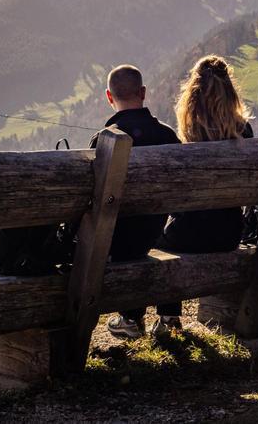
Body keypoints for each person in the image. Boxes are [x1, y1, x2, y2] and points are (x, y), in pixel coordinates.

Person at [116, 55, 253, 336]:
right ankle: (164, 320)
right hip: (230, 234)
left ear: (192, 96)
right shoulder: (245, 132)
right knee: (169, 236)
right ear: (230, 93)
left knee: (156, 241)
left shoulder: (189, 135)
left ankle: (160, 319)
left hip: (189, 235)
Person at [89, 65, 183, 339]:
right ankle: (157, 320)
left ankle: (130, 319)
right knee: (139, 235)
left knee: (119, 235)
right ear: (143, 93)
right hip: (156, 232)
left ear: (109, 97)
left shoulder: (105, 139)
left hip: (114, 240)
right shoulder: (167, 136)